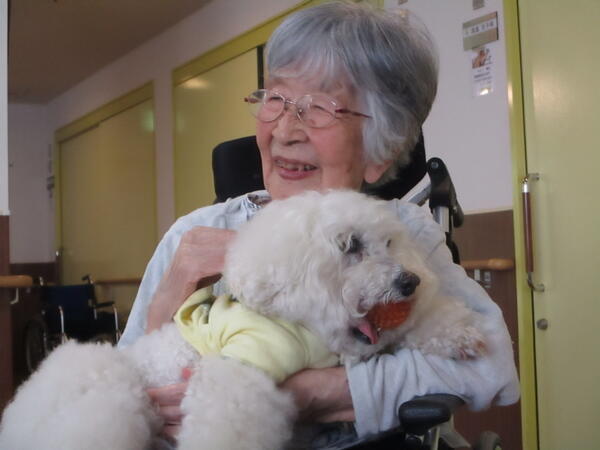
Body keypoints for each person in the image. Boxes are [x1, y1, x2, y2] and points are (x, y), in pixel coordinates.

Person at [119, 1, 520, 448]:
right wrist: (169, 297)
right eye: (276, 99)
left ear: (379, 151)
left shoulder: (401, 232)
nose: (286, 130)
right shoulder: (197, 232)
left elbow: (491, 365)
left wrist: (300, 393)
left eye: (322, 108)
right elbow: (131, 388)